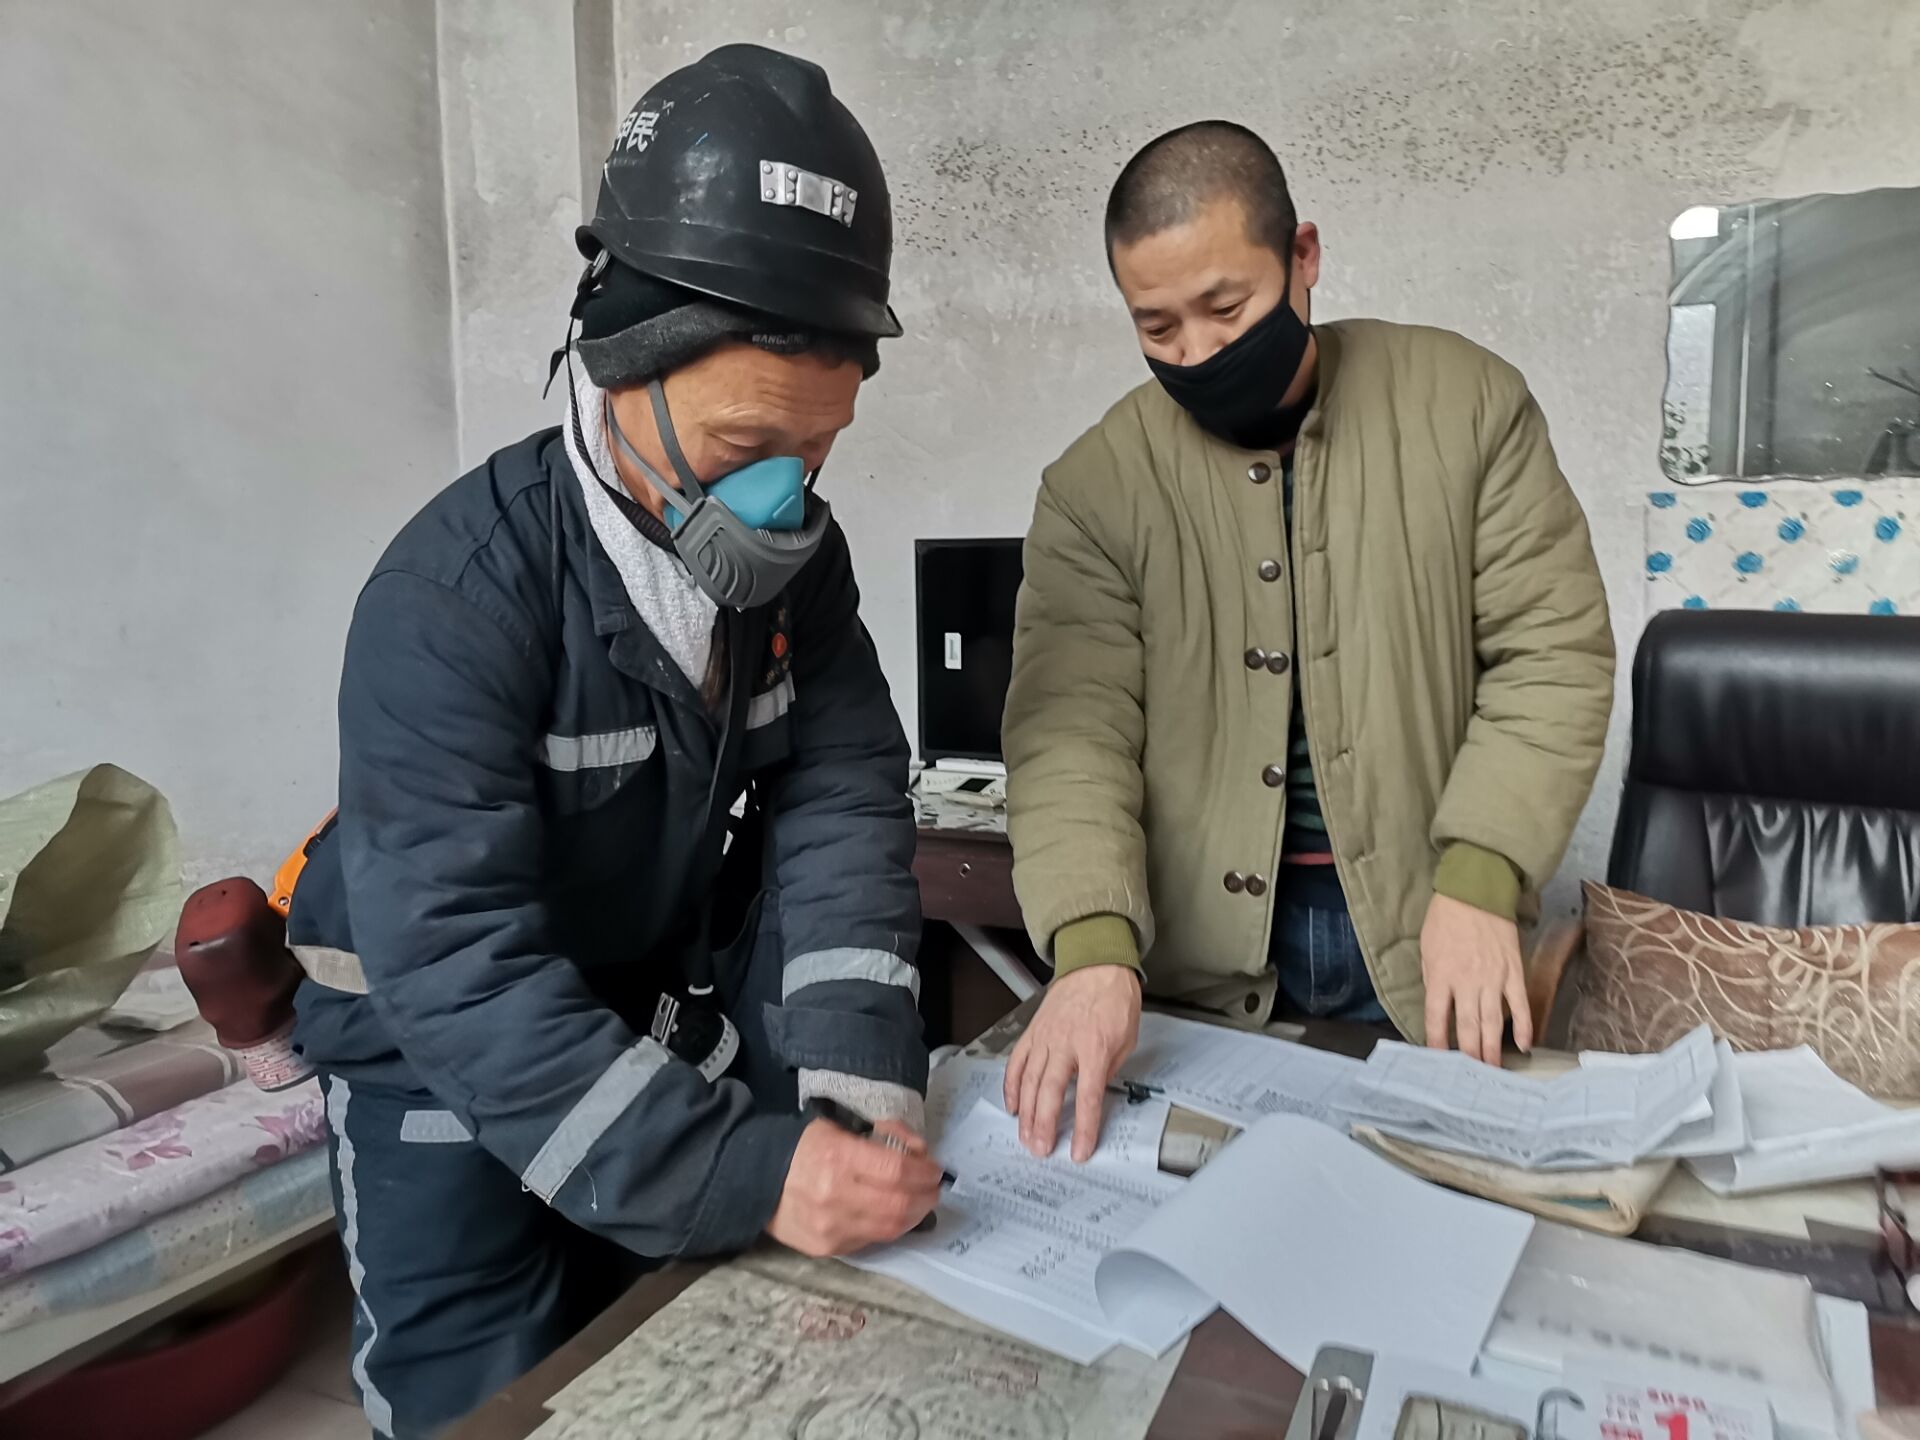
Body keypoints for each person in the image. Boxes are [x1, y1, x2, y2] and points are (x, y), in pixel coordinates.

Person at [283, 46, 940, 1436]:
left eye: (819, 453)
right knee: (485, 1393)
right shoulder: (453, 599)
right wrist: (749, 1175)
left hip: (632, 995)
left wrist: (853, 1092)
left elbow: (843, 802)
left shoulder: (795, 575)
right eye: (744, 450)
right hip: (431, 1031)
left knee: (677, 1354)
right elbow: (456, 961)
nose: (782, 503)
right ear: (616, 364)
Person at [1001, 121, 1614, 1161]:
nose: (1198, 353)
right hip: (1200, 971)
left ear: (1304, 257)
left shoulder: (1468, 406)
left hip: (1429, 934)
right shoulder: (1095, 486)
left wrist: (1483, 875)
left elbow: (1550, 655)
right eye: (1157, 326)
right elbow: (1072, 737)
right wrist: (1094, 947)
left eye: (1226, 308)